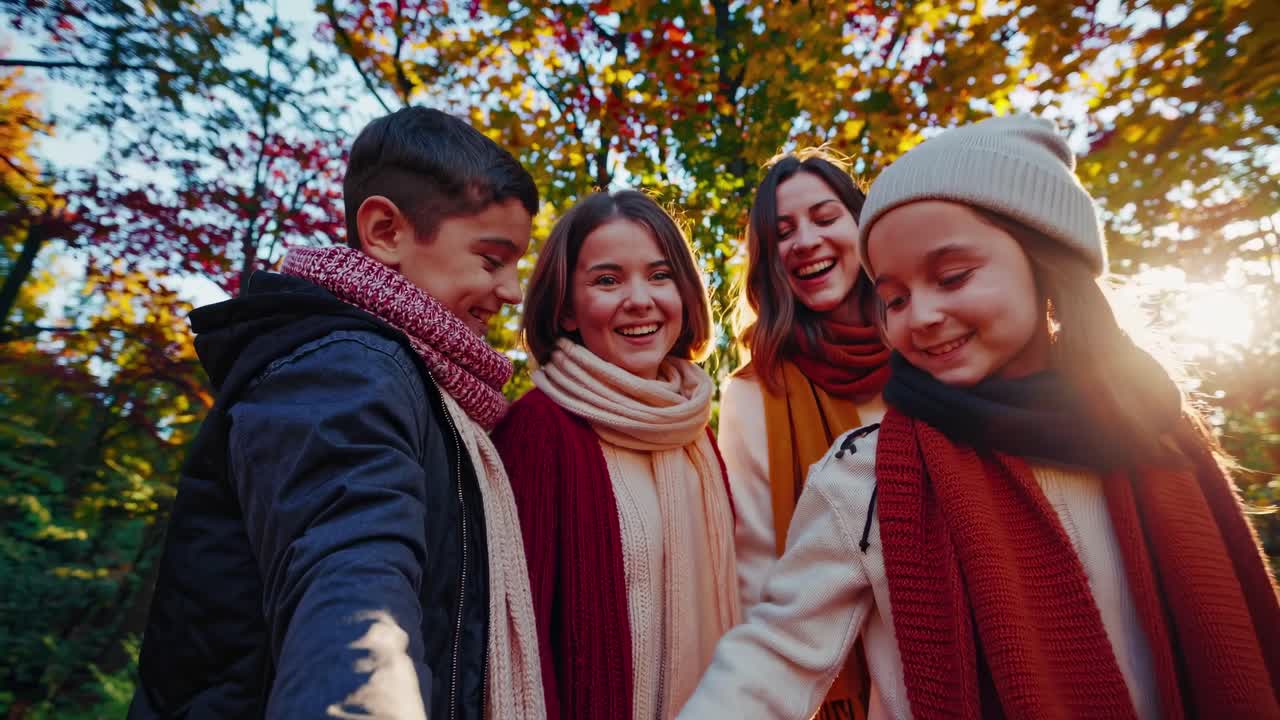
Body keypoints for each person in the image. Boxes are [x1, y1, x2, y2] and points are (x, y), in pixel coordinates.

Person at [678, 115, 1280, 719]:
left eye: (952, 277)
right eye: (895, 298)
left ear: (1044, 262)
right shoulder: (865, 475)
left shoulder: (1158, 435)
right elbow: (775, 652)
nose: (922, 315)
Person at [130, 107, 545, 720]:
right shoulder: (346, 370)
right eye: (491, 260)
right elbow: (352, 579)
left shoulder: (427, 391)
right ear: (385, 231)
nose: (511, 291)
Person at [492, 191, 739, 720]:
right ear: (566, 309)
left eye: (659, 275)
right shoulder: (540, 428)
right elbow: (519, 644)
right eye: (607, 280)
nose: (639, 299)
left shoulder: (693, 432)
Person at [718, 150, 890, 719]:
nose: (805, 241)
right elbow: (758, 571)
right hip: (841, 690)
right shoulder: (753, 394)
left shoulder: (930, 352)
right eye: (783, 232)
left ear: (863, 226)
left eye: (824, 217)